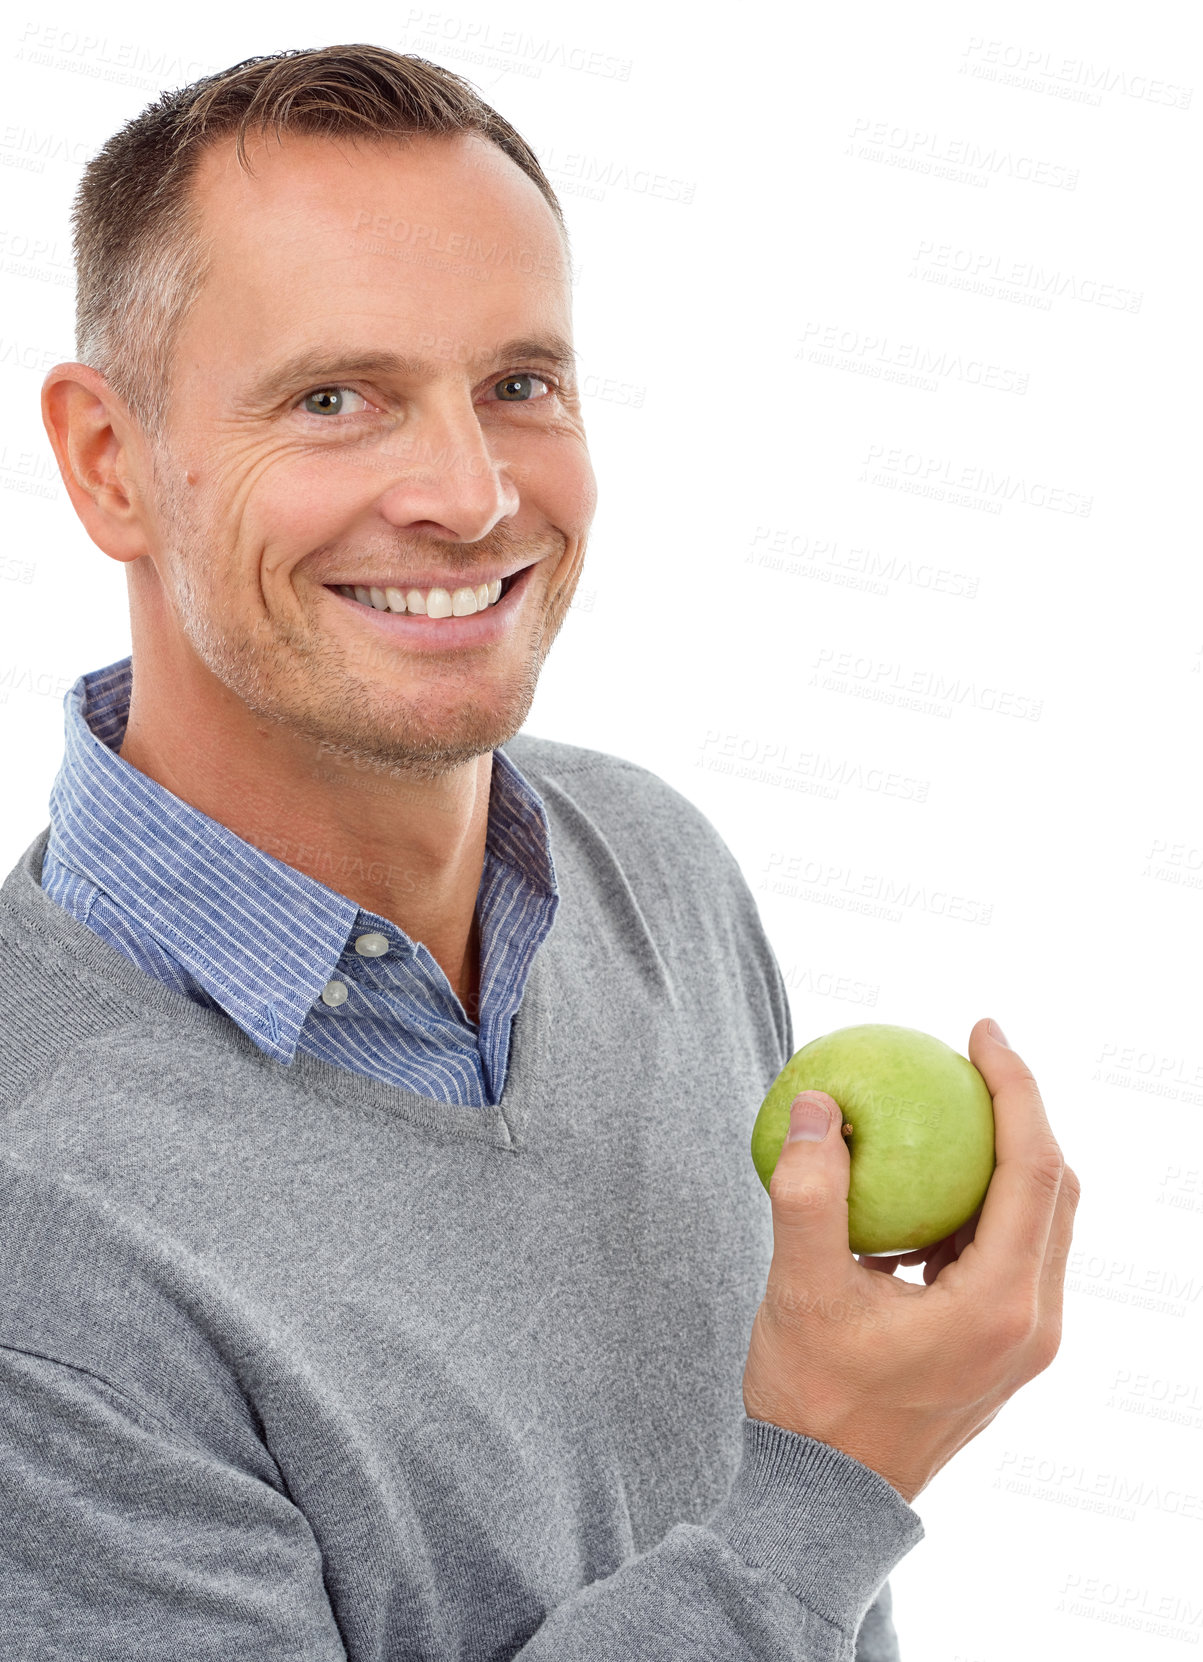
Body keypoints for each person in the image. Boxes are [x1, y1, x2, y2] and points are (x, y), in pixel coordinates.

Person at [0, 43, 1079, 1660]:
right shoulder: (40, 1228)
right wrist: (833, 1481)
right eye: (334, 399)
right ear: (109, 463)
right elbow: (801, 1528)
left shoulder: (655, 864)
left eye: (519, 383)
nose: (470, 492)